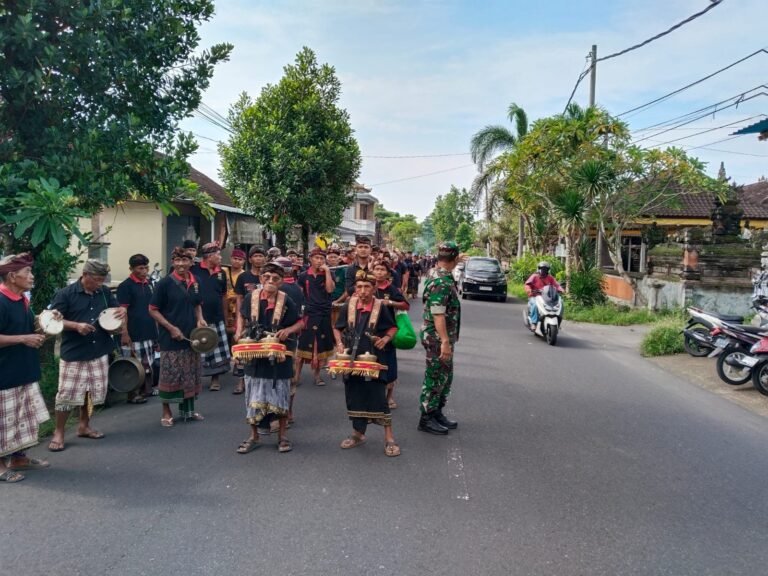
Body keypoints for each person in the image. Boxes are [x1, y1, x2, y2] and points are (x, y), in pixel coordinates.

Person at [48, 259, 125, 452]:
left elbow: (116, 310)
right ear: (85, 274)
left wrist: (121, 312)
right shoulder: (65, 294)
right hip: (74, 352)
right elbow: (52, 319)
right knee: (66, 394)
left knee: (91, 391)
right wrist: (75, 326)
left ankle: (84, 426)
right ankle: (59, 432)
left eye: (102, 280)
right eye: (97, 280)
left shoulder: (105, 293)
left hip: (98, 350)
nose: (100, 284)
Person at [234, 263, 304, 455]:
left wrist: (288, 330)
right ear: (261, 279)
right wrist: (239, 331)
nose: (270, 281)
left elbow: (300, 322)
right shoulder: (251, 298)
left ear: (281, 281)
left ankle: (282, 436)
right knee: (253, 395)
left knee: (280, 394)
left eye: (275, 278)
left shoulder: (286, 300)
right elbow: (241, 315)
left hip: (279, 353)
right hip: (256, 352)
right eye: (267, 277)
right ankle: (254, 436)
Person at [333, 270, 400, 457]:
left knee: (378, 396)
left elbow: (393, 327)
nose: (363, 291)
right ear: (355, 287)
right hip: (352, 358)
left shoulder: (382, 307)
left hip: (375, 357)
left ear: (374, 288)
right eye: (359, 286)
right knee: (354, 394)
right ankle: (358, 433)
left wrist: (386, 339)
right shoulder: (348, 306)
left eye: (367, 287)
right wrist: (339, 344)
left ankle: (389, 438)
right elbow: (337, 328)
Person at [0, 253, 51, 482]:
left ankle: (19, 457)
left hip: (23, 368)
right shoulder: (0, 300)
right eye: (27, 272)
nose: (31, 276)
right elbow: (20, 336)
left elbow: (30, 330)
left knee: (22, 417)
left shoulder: (22, 300)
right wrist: (23, 339)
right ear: (12, 276)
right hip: (5, 372)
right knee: (4, 420)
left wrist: (49, 323)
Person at [149, 247, 206, 426]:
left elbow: (197, 304)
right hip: (170, 336)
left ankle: (188, 411)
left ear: (191, 262)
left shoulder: (195, 282)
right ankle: (166, 412)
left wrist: (201, 320)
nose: (181, 264)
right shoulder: (165, 283)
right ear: (173, 262)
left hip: (191, 335)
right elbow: (152, 310)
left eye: (185, 261)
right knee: (170, 374)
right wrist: (171, 328)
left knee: (190, 373)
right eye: (177, 261)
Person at [418, 241, 462, 435]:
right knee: (435, 376)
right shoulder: (442, 282)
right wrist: (444, 341)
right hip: (437, 338)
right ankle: (426, 418)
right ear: (454, 258)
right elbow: (438, 314)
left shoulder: (438, 273)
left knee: (445, 375)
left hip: (441, 336)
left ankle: (436, 412)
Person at [117, 254, 159, 403]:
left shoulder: (150, 284)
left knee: (149, 363)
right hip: (133, 332)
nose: (144, 270)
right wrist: (124, 333)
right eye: (140, 268)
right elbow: (122, 312)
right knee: (134, 364)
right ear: (131, 269)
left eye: (146, 267)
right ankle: (133, 394)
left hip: (149, 330)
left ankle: (147, 390)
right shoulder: (125, 286)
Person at [191, 242, 231, 392]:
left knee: (217, 350)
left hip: (216, 316)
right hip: (198, 318)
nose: (220, 257)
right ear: (209, 256)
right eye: (218, 255)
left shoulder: (221, 273)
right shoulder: (194, 271)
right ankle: (196, 381)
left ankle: (215, 380)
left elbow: (224, 296)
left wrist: (226, 317)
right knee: (198, 349)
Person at [372, 260, 409, 410]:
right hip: (369, 331)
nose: (379, 272)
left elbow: (406, 305)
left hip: (388, 331)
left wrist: (390, 303)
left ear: (388, 274)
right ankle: (372, 397)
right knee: (370, 364)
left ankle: (389, 397)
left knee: (389, 366)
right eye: (376, 269)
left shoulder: (392, 289)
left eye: (382, 270)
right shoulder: (366, 287)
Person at [296, 248, 335, 386]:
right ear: (311, 259)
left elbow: (330, 290)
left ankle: (317, 376)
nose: (319, 261)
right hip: (309, 313)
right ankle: (296, 376)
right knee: (303, 345)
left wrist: (328, 272)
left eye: (321, 258)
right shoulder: (303, 276)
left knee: (320, 345)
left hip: (324, 312)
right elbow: (300, 295)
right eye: (316, 258)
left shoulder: (329, 274)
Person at [224, 248, 247, 394]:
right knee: (227, 336)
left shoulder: (244, 275)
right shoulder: (223, 272)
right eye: (235, 258)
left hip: (238, 309)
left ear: (244, 262)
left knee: (238, 337)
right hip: (225, 308)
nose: (236, 261)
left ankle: (237, 364)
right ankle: (230, 361)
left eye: (240, 259)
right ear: (231, 259)